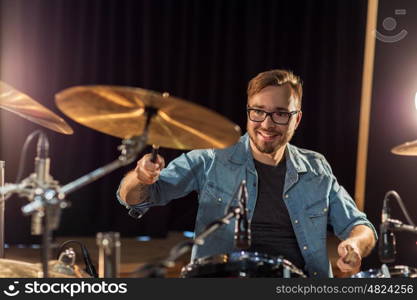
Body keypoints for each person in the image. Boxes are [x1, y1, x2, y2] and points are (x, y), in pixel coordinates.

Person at [117, 69, 377, 277]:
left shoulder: (316, 168)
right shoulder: (211, 158)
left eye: (280, 114)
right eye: (258, 111)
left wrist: (354, 245)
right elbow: (135, 196)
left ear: (296, 119)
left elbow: (361, 227)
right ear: (248, 111)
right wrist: (140, 178)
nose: (267, 123)